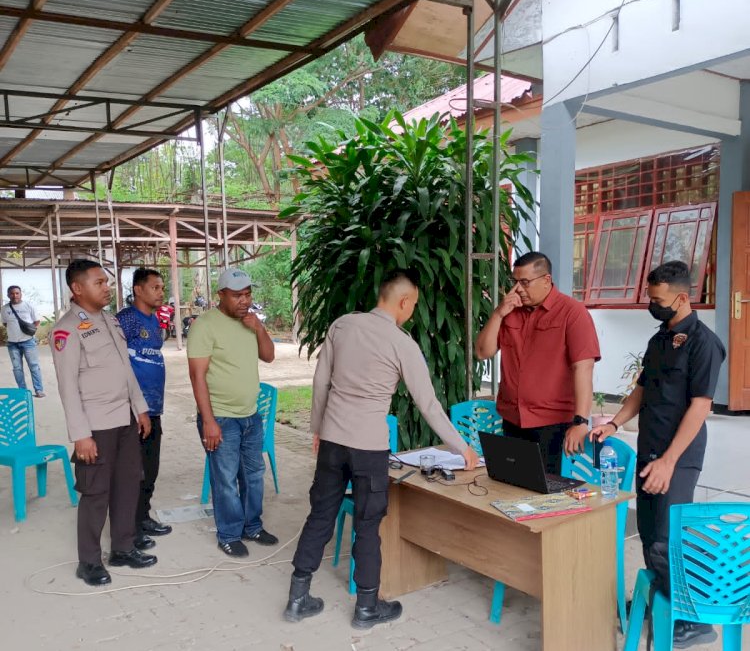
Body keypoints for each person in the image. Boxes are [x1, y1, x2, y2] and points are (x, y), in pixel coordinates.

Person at [284, 268, 480, 630]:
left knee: (320, 515)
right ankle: (367, 608)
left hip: (332, 442)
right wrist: (463, 449)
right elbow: (429, 405)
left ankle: (297, 598)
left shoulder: (343, 326)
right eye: (413, 305)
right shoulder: (402, 343)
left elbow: (321, 381)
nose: (412, 311)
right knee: (368, 525)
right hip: (368, 449)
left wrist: (317, 429)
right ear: (404, 302)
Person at [590, 260, 726, 649]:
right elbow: (642, 390)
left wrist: (668, 461)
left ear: (682, 297)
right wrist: (614, 424)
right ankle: (660, 598)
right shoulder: (660, 339)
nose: (652, 304)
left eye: (658, 299)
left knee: (669, 536)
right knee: (650, 533)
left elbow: (700, 407)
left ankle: (693, 617)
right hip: (650, 447)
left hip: (677, 455)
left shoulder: (704, 344)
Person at [51, 259, 157, 586]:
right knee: (96, 492)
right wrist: (81, 435)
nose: (107, 287)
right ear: (77, 288)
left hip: (125, 420)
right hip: (96, 426)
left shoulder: (110, 321)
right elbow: (67, 387)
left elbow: (126, 370)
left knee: (127, 486)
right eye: (99, 282)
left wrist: (140, 409)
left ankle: (123, 548)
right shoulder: (66, 329)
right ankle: (89, 561)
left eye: (107, 282)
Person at [475, 251, 600, 473]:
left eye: (524, 282)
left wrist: (581, 421)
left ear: (546, 280)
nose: (518, 289)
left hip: (551, 424)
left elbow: (583, 368)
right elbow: (483, 352)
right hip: (513, 419)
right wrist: (498, 314)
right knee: (512, 488)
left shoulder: (572, 313)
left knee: (544, 495)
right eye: (514, 282)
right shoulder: (510, 311)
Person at [187, 268, 277, 557]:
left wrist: (259, 328)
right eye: (237, 295)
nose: (244, 301)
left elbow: (269, 356)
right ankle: (228, 533)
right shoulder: (205, 325)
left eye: (248, 294)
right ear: (221, 295)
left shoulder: (250, 322)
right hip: (221, 417)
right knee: (225, 478)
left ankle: (253, 526)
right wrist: (209, 421)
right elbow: (197, 376)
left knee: (253, 474)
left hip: (250, 415)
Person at [116, 268, 172, 548]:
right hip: (133, 410)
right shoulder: (124, 320)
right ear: (138, 290)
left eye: (162, 287)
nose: (161, 292)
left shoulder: (155, 320)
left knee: (150, 469)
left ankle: (143, 516)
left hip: (154, 407)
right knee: (133, 471)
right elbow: (116, 363)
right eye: (155, 287)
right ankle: (129, 527)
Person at [1, 285, 45, 397]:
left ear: (21, 294)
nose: (14, 295)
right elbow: (5, 323)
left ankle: (39, 390)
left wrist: (28, 332)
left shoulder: (28, 306)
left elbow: (36, 321)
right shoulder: (5, 309)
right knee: (17, 368)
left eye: (17, 293)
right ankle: (22, 391)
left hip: (28, 342)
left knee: (34, 366)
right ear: (8, 295)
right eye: (12, 293)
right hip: (12, 344)